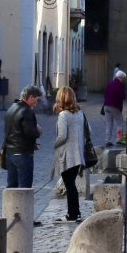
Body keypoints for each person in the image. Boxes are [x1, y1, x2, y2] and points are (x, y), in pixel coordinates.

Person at [52, 86, 85, 223]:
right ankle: (75, 213)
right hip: (78, 154)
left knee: (69, 184)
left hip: (67, 156)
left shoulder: (63, 115)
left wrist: (54, 144)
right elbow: (88, 131)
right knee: (71, 184)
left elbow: (62, 136)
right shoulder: (79, 113)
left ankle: (72, 214)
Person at [3, 84, 43, 188]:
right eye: (36, 99)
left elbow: (15, 131)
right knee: (24, 187)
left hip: (10, 153)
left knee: (11, 186)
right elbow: (30, 133)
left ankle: (10, 205)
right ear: (30, 97)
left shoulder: (12, 107)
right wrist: (38, 131)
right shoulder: (27, 111)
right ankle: (22, 205)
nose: (36, 102)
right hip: (23, 154)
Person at [103, 70, 127, 146]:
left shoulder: (110, 83)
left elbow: (105, 94)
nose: (123, 80)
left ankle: (107, 140)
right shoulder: (120, 85)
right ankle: (119, 139)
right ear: (120, 77)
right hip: (115, 106)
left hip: (106, 105)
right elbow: (122, 96)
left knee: (108, 124)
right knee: (120, 123)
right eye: (123, 78)